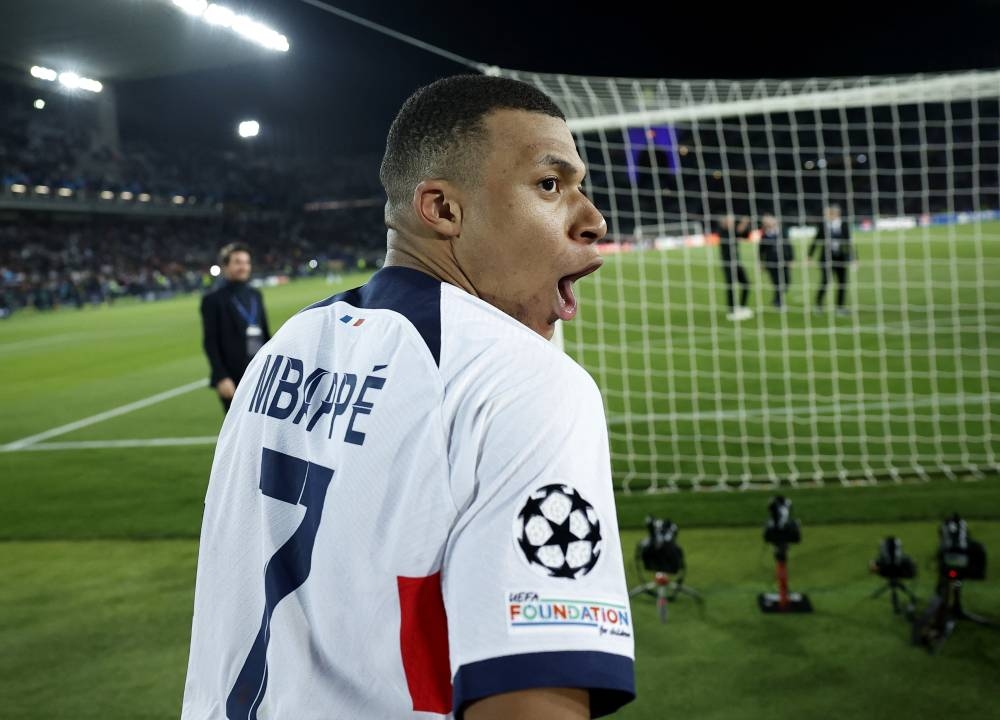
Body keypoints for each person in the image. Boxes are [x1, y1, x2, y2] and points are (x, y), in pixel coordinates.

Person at [182, 75, 636, 720]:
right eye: (549, 184)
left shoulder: (281, 353)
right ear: (443, 209)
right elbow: (528, 702)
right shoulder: (520, 381)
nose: (593, 219)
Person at [199, 242, 271, 413]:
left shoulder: (255, 295)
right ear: (225, 266)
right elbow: (210, 342)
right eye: (238, 262)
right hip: (233, 376)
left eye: (247, 262)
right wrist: (221, 376)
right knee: (238, 428)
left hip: (259, 371)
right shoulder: (212, 300)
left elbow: (265, 334)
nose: (243, 267)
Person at [809, 203, 853, 315]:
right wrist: (809, 256)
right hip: (826, 259)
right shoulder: (824, 226)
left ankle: (840, 307)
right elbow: (816, 240)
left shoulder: (843, 225)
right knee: (825, 281)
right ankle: (818, 305)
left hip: (840, 258)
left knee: (842, 283)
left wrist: (854, 257)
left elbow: (849, 242)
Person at [716, 214, 753, 321]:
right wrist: (743, 224)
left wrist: (745, 226)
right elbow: (736, 233)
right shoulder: (723, 232)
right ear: (725, 223)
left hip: (737, 262)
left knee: (746, 284)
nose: (732, 223)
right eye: (730, 221)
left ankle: (742, 307)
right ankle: (731, 311)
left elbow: (745, 235)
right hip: (728, 264)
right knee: (731, 286)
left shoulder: (732, 231)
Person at [757, 213, 792, 310]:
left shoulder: (782, 232)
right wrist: (761, 263)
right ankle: (778, 302)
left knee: (786, 281)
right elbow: (761, 251)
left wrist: (791, 259)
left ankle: (776, 299)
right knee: (777, 282)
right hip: (771, 262)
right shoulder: (764, 235)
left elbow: (789, 246)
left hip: (783, 261)